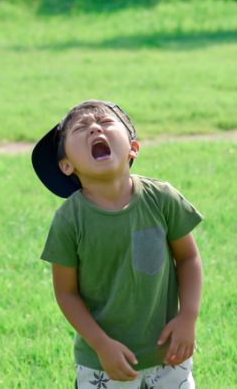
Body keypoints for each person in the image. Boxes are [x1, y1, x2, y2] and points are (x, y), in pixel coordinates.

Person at [31, 100, 203, 388]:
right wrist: (101, 345)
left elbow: (188, 259)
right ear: (66, 165)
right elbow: (66, 293)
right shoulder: (69, 220)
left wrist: (188, 317)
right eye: (82, 128)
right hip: (104, 362)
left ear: (133, 147)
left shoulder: (162, 198)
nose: (96, 127)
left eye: (107, 123)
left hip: (169, 353)